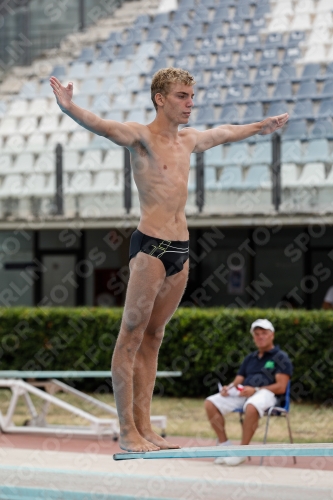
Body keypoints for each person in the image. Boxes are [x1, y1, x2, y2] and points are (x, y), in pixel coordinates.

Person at [50, 68, 289, 452]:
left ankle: (145, 427)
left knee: (154, 337)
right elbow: (102, 126)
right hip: (151, 249)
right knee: (130, 336)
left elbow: (224, 132)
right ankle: (127, 430)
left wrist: (262, 126)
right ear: (160, 98)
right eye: (182, 96)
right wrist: (69, 106)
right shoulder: (141, 137)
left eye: (192, 96)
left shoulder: (189, 141)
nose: (190, 103)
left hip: (181, 249)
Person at [204, 318, 293, 466]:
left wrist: (256, 389)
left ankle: (242, 451)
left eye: (264, 333)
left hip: (269, 395)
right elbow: (239, 379)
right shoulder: (250, 358)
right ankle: (225, 446)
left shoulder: (281, 357)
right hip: (245, 393)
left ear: (272, 335)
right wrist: (229, 387)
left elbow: (281, 387)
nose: (260, 336)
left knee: (251, 406)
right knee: (211, 402)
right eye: (257, 334)